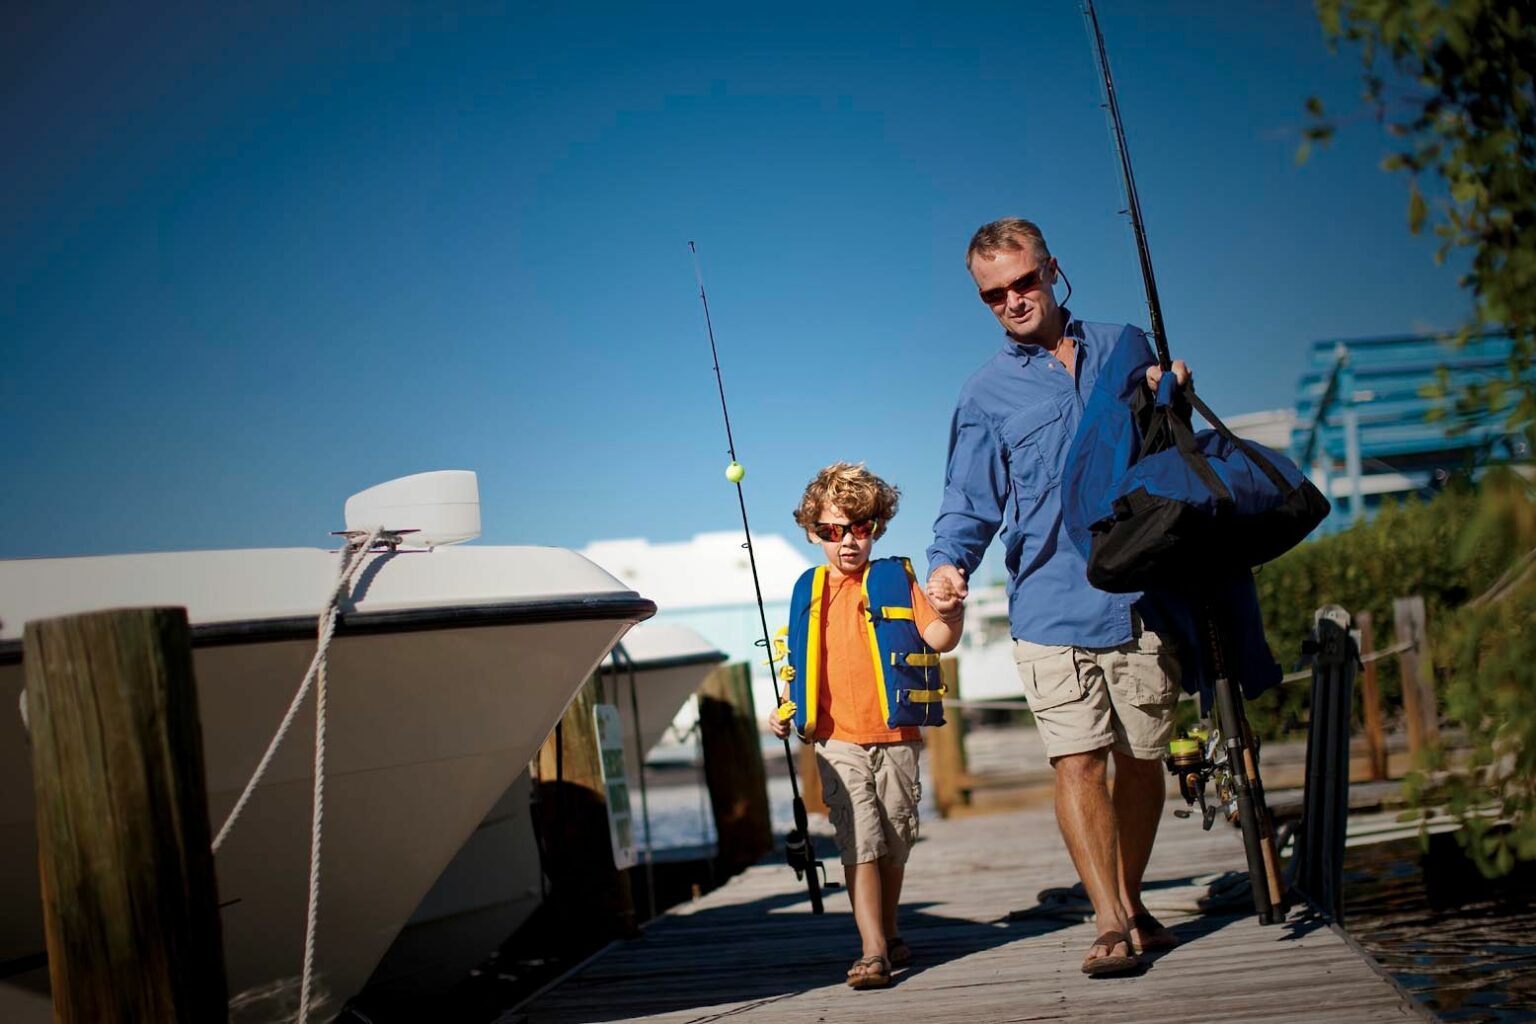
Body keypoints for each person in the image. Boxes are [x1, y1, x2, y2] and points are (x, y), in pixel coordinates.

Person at [925, 218, 1189, 977]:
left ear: (1052, 271)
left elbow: (1170, 449)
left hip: (1141, 595)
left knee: (1142, 760)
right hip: (1047, 604)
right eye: (993, 295)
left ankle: (1130, 898)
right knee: (1077, 762)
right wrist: (950, 568)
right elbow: (967, 503)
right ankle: (1108, 920)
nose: (1012, 300)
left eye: (1023, 282)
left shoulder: (1127, 346)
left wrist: (1173, 393)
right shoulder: (983, 395)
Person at [768, 462, 963, 989]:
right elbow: (800, 663)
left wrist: (952, 609)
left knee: (896, 838)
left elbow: (939, 638)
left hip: (896, 736)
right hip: (837, 741)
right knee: (860, 842)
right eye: (832, 531)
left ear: (876, 527)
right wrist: (785, 708)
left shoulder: (896, 580)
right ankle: (873, 948)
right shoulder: (808, 589)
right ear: (813, 533)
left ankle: (890, 927)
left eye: (859, 528)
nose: (847, 542)